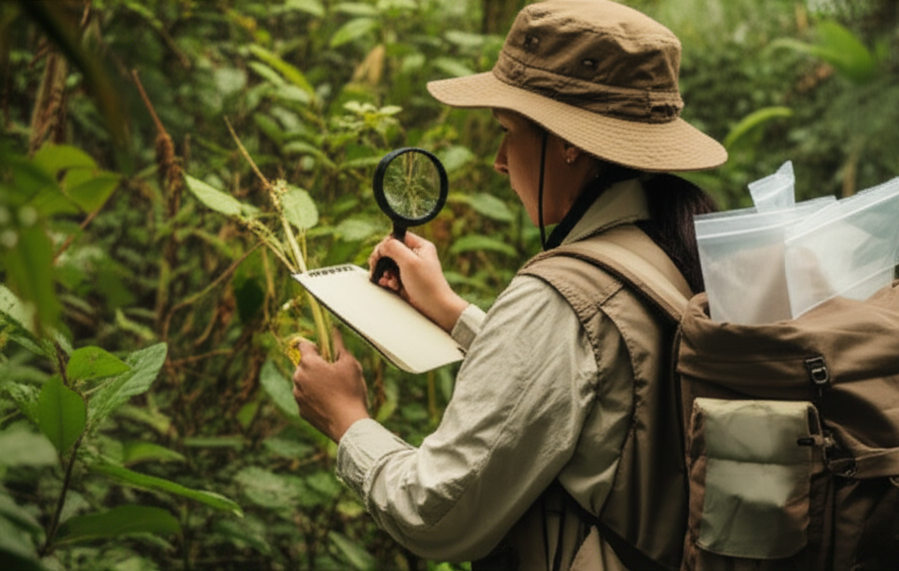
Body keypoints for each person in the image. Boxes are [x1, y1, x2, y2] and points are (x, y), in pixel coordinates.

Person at [292, 0, 728, 569]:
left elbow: (434, 511)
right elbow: (595, 387)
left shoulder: (559, 300)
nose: (499, 160)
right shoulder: (666, 246)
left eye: (507, 131)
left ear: (568, 144)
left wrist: (347, 419)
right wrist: (451, 311)